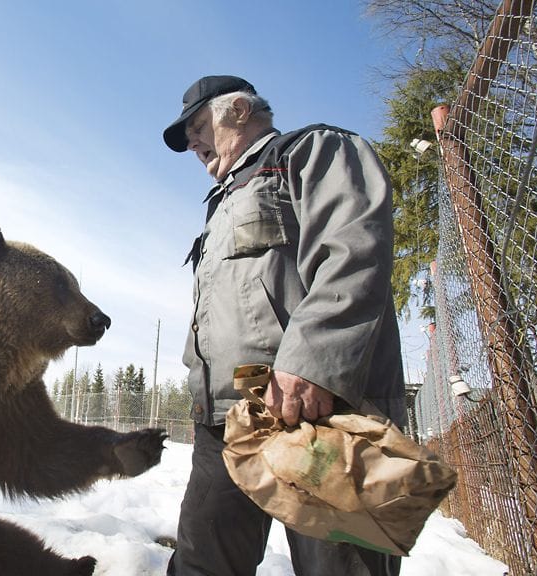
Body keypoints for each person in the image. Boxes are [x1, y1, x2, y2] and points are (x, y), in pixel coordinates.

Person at [162, 75, 407, 576]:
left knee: (339, 568)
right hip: (230, 417)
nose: (191, 143)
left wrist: (312, 365)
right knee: (200, 562)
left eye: (197, 126)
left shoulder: (312, 151)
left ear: (238, 110)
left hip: (319, 408)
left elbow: (353, 252)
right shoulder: (221, 205)